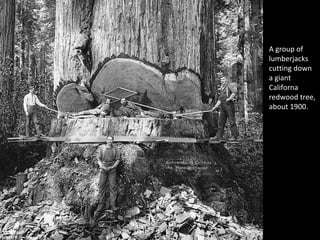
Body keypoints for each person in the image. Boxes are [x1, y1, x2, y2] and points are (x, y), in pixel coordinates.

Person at [93, 136, 121, 220]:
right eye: (108, 140)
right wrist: (102, 167)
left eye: (111, 140)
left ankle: (113, 205)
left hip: (112, 169)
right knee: (101, 186)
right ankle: (101, 204)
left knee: (113, 186)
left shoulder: (115, 149)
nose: (110, 141)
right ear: (106, 140)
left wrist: (113, 167)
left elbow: (118, 159)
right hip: (103, 169)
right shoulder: (102, 148)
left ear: (113, 141)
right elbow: (98, 159)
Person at [211, 75, 239, 141]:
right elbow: (220, 100)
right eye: (221, 80)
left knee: (231, 121)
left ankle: (235, 136)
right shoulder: (222, 88)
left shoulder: (229, 85)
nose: (222, 81)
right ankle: (219, 136)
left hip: (229, 105)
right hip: (223, 106)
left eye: (223, 79)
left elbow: (234, 92)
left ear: (226, 80)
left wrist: (229, 98)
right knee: (221, 121)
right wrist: (215, 107)